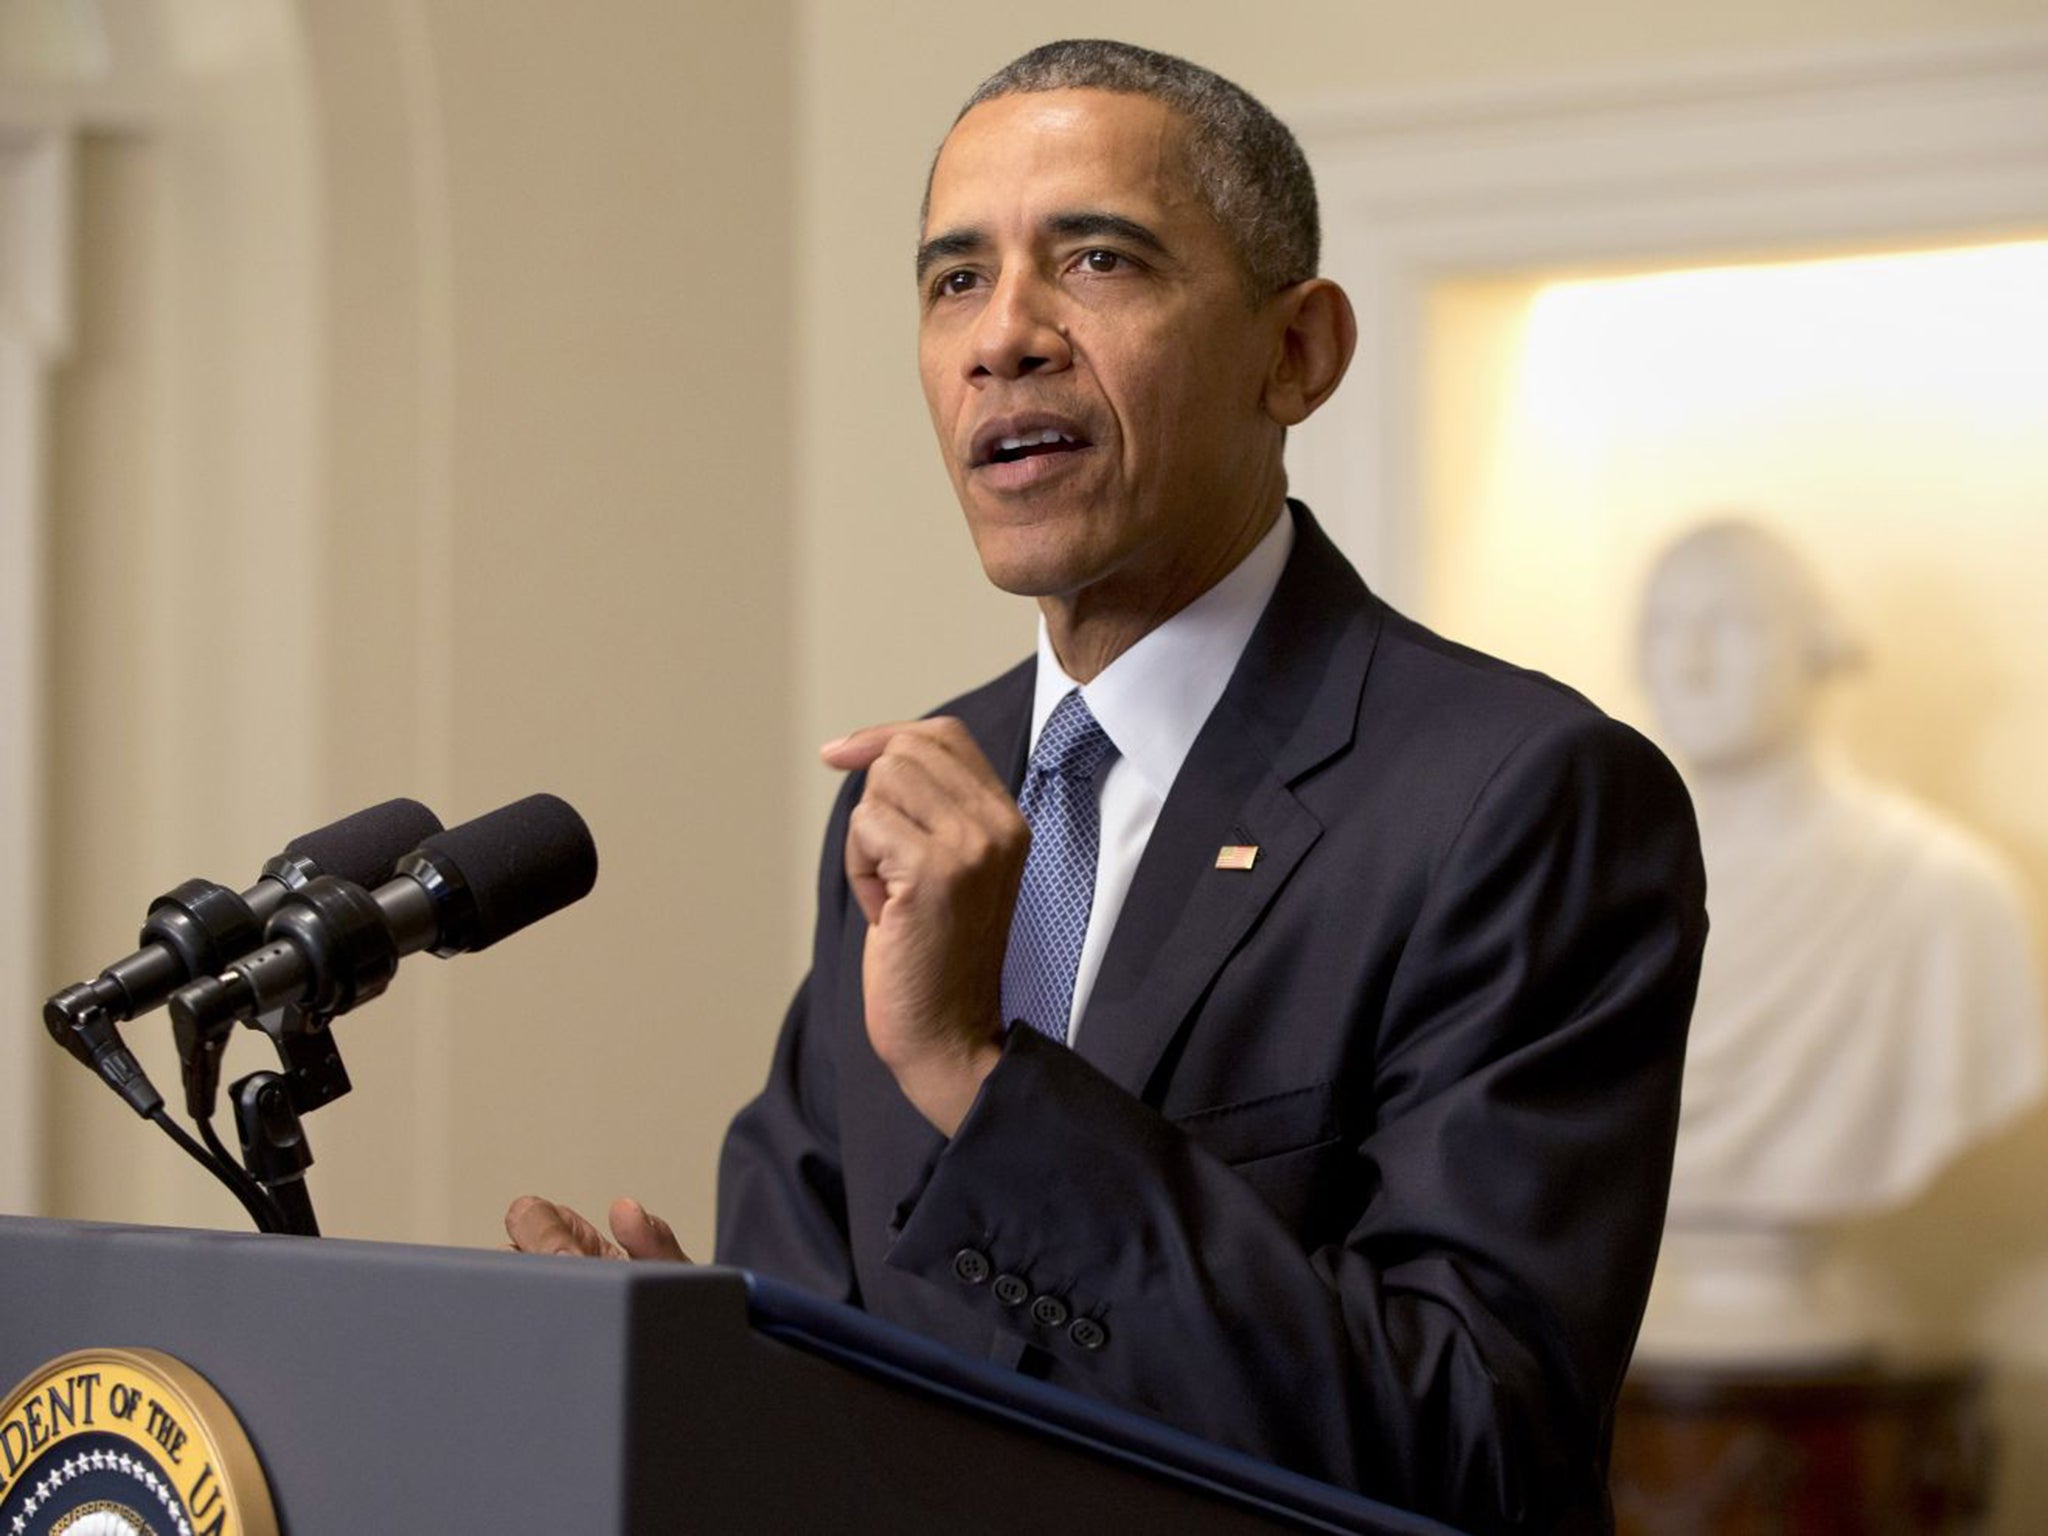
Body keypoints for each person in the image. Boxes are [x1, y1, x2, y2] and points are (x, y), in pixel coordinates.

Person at [507, 40, 1707, 1534]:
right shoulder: (909, 802)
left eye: (1096, 260)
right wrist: (685, 1373)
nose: (1003, 337)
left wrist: (982, 1080)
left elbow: (1473, 1451)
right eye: (954, 281)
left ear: (1298, 353)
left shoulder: (1524, 800)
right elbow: (841, 1372)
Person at [1634, 517, 2043, 1361]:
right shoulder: (1594, 891)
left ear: (1816, 647)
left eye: (1732, 624)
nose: (1693, 662)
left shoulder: (1944, 899)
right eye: (1665, 627)